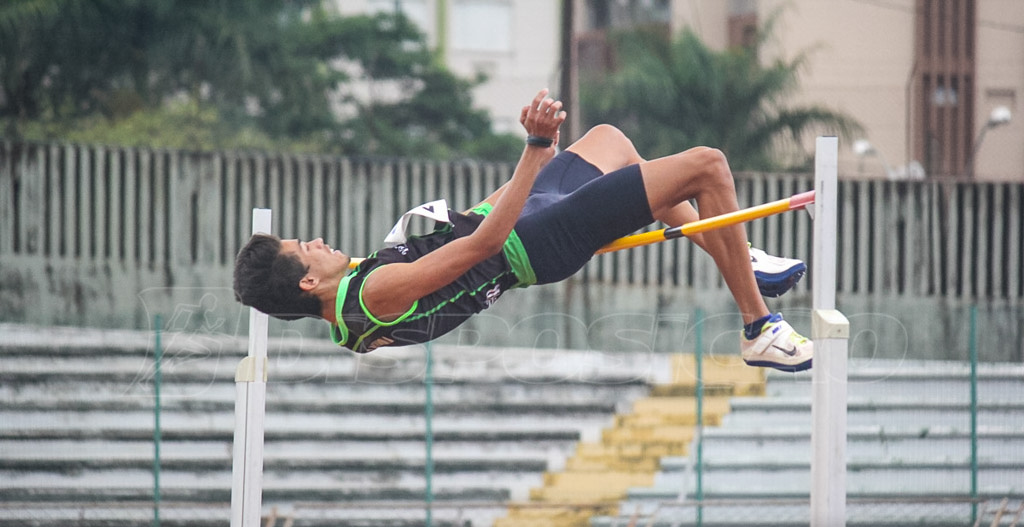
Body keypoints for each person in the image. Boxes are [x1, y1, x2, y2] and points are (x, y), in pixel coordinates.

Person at [234, 89, 812, 371]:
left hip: (519, 213)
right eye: (302, 249)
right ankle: (758, 327)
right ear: (308, 283)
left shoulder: (356, 305)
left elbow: (457, 226)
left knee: (611, 139)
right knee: (706, 165)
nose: (313, 242)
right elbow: (482, 247)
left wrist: (528, 180)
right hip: (534, 243)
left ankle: (734, 253)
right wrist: (534, 151)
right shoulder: (371, 298)